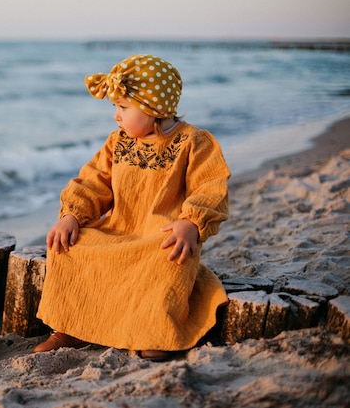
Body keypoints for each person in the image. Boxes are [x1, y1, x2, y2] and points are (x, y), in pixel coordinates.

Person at [34, 54, 230, 361]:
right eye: (115, 107)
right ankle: (69, 326)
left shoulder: (194, 142)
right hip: (119, 229)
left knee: (167, 257)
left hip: (161, 234)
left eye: (123, 107)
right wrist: (71, 215)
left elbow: (210, 186)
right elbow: (92, 182)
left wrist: (191, 222)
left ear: (153, 109)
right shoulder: (118, 142)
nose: (116, 115)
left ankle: (154, 331)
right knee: (70, 246)